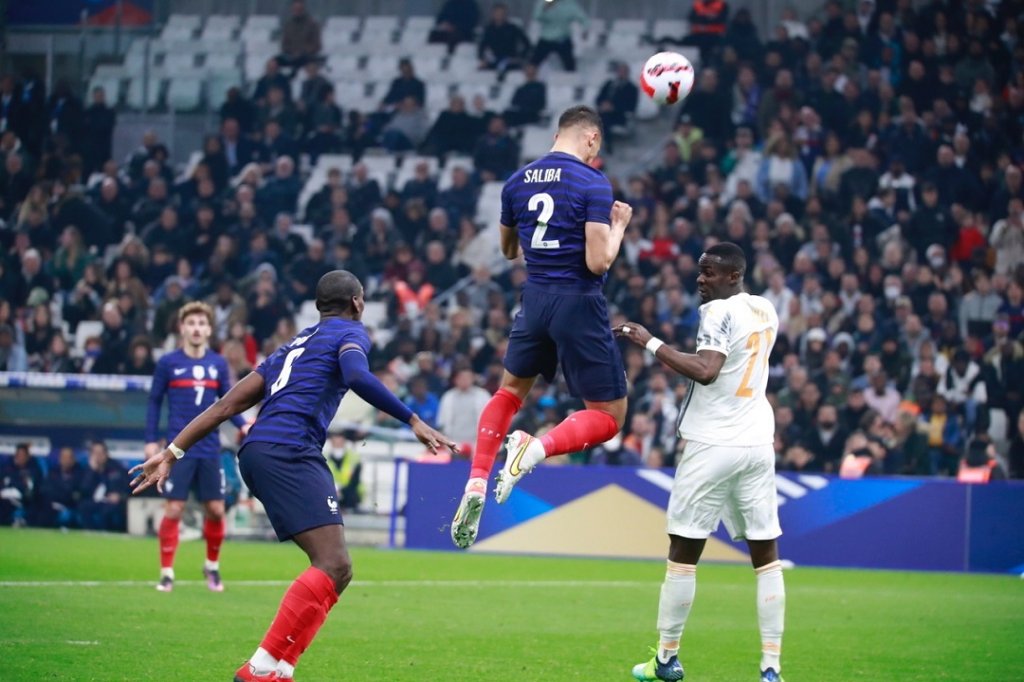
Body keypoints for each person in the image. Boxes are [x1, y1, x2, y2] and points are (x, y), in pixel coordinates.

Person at [129, 270, 457, 682]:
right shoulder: (351, 334)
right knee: (334, 562)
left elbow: (224, 407)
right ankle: (262, 667)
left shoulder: (291, 346)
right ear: (357, 303)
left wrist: (173, 451)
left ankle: (280, 669)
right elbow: (356, 376)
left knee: (338, 568)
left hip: (260, 452)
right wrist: (412, 419)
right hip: (289, 450)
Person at [449, 105, 632, 549]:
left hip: (534, 300)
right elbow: (598, 260)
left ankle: (476, 481)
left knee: (509, 393)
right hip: (578, 301)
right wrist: (619, 227)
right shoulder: (592, 182)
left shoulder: (515, 182)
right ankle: (534, 450)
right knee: (610, 417)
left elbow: (509, 249)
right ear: (590, 138)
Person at [615, 242, 785, 682]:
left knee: (683, 554)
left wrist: (648, 341)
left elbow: (708, 370)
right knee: (766, 557)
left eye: (709, 272)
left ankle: (666, 659)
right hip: (757, 442)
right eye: (700, 271)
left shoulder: (717, 313)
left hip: (713, 443)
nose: (700, 279)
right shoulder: (766, 308)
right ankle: (771, 668)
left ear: (733, 276)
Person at [145, 302, 245, 593]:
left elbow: (229, 401)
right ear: (182, 328)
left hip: (209, 447)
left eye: (202, 323)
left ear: (210, 330)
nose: (197, 328)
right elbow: (154, 402)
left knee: (215, 509)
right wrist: (151, 441)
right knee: (174, 508)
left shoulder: (217, 363)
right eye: (192, 323)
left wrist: (243, 425)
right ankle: (166, 573)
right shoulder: (168, 363)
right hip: (177, 449)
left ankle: (211, 567)